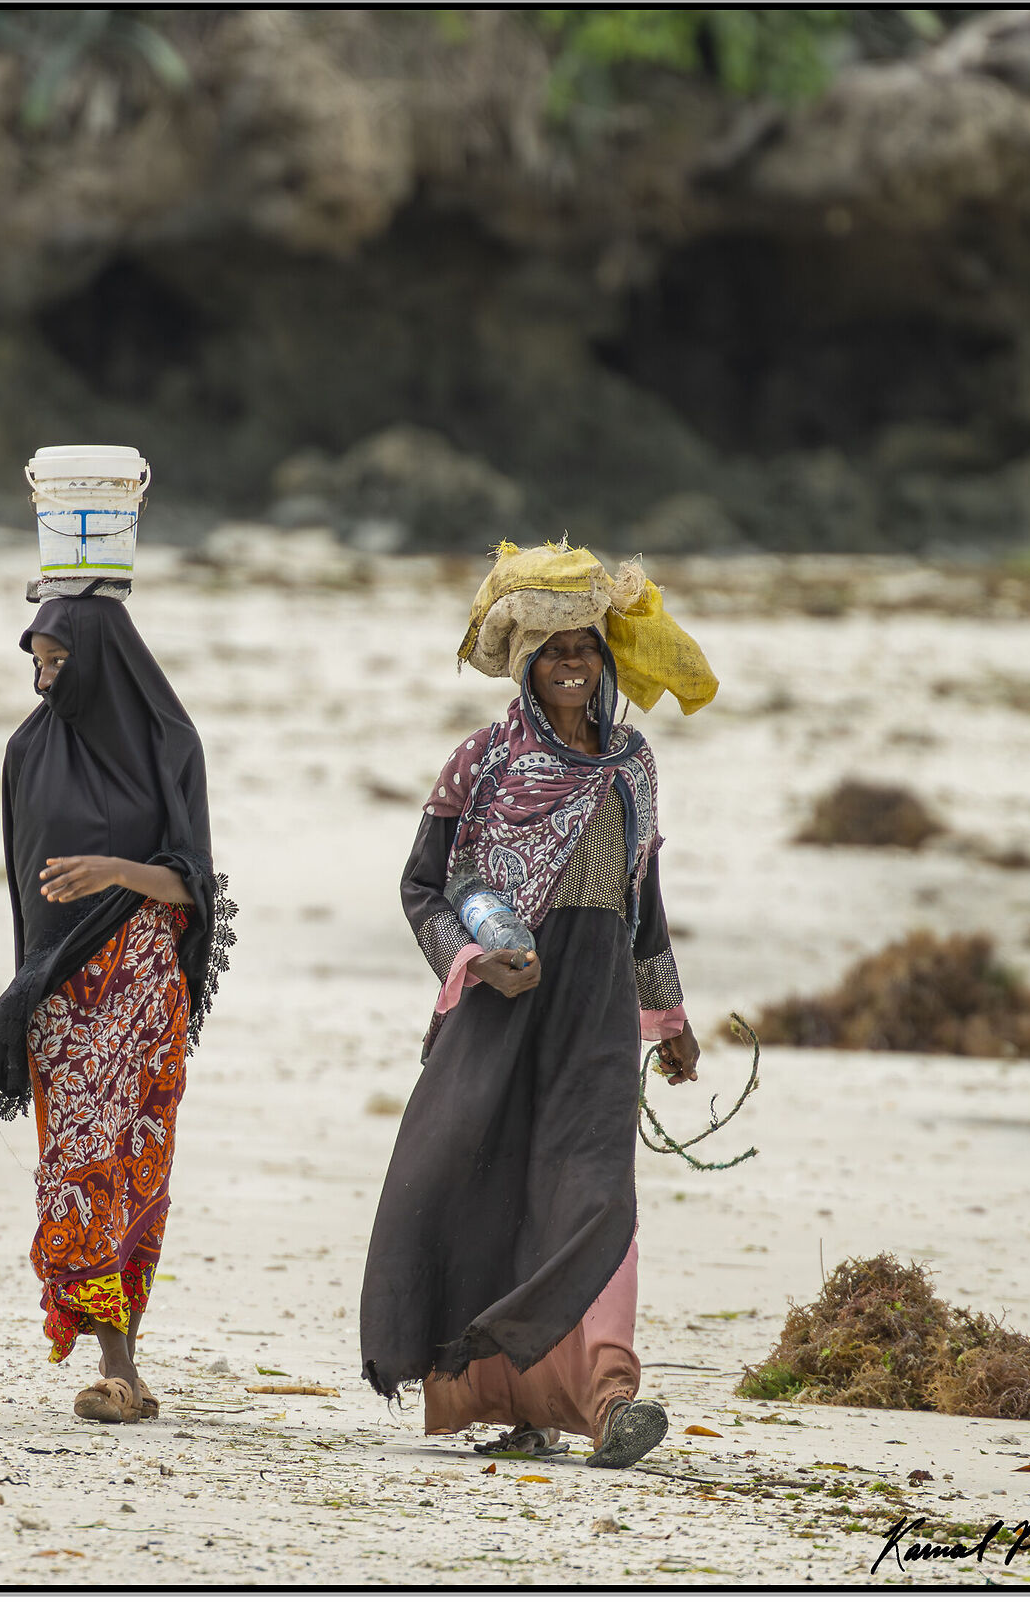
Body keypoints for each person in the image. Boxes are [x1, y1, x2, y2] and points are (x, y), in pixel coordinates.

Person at [360, 544, 718, 1470]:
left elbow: (643, 903)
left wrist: (670, 1021)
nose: (571, 666)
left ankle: (608, 1397)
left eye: (586, 650)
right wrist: (475, 958)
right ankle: (517, 1399)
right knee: (493, 1190)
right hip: (501, 1009)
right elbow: (423, 887)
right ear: (525, 665)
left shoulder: (634, 765)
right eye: (553, 651)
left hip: (596, 1007)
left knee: (596, 1191)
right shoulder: (480, 762)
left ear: (605, 662)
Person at [0, 592, 233, 1424]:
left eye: (59, 662)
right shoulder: (27, 748)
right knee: (78, 1165)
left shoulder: (169, 742)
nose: (47, 680)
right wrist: (27, 983)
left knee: (137, 1164)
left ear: (100, 659)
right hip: (62, 992)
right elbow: (22, 888)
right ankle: (117, 1363)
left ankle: (125, 1366)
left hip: (146, 983)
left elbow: (194, 877)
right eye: (38, 665)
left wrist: (118, 871)